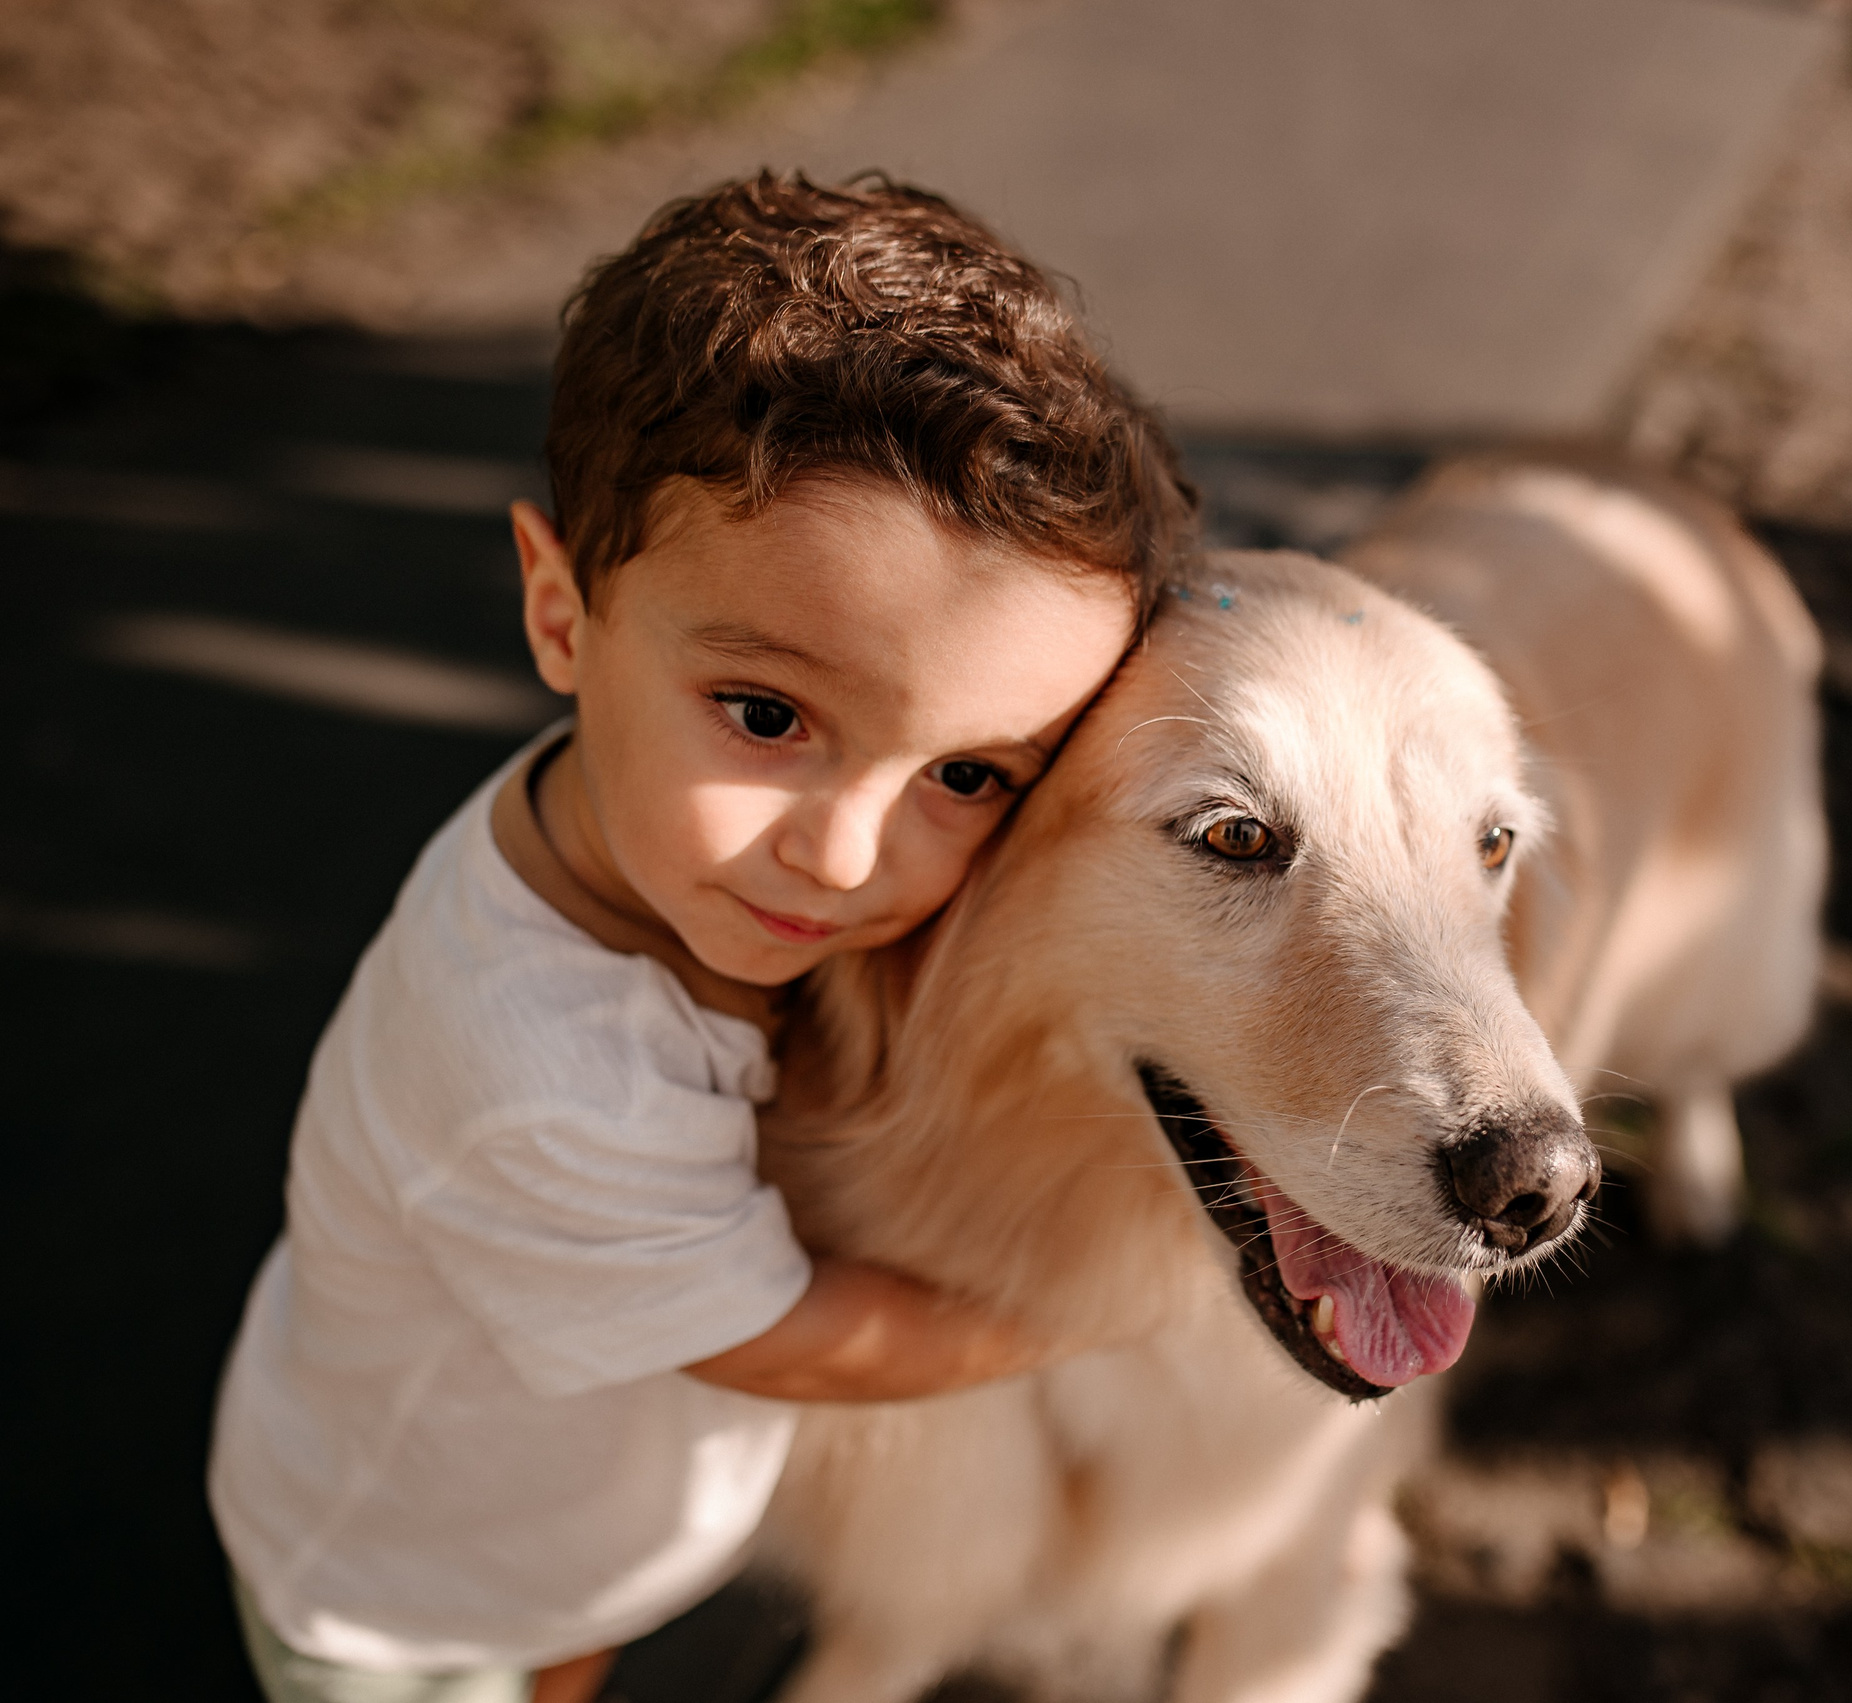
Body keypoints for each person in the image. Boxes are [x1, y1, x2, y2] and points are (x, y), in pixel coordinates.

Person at [207, 171, 1195, 1703]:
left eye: (965, 776)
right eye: (766, 714)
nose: (848, 853)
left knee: (569, 1645)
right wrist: (1091, 1309)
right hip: (408, 1591)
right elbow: (793, 1341)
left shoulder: (644, 842)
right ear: (561, 615)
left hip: (560, 1533)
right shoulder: (545, 1074)